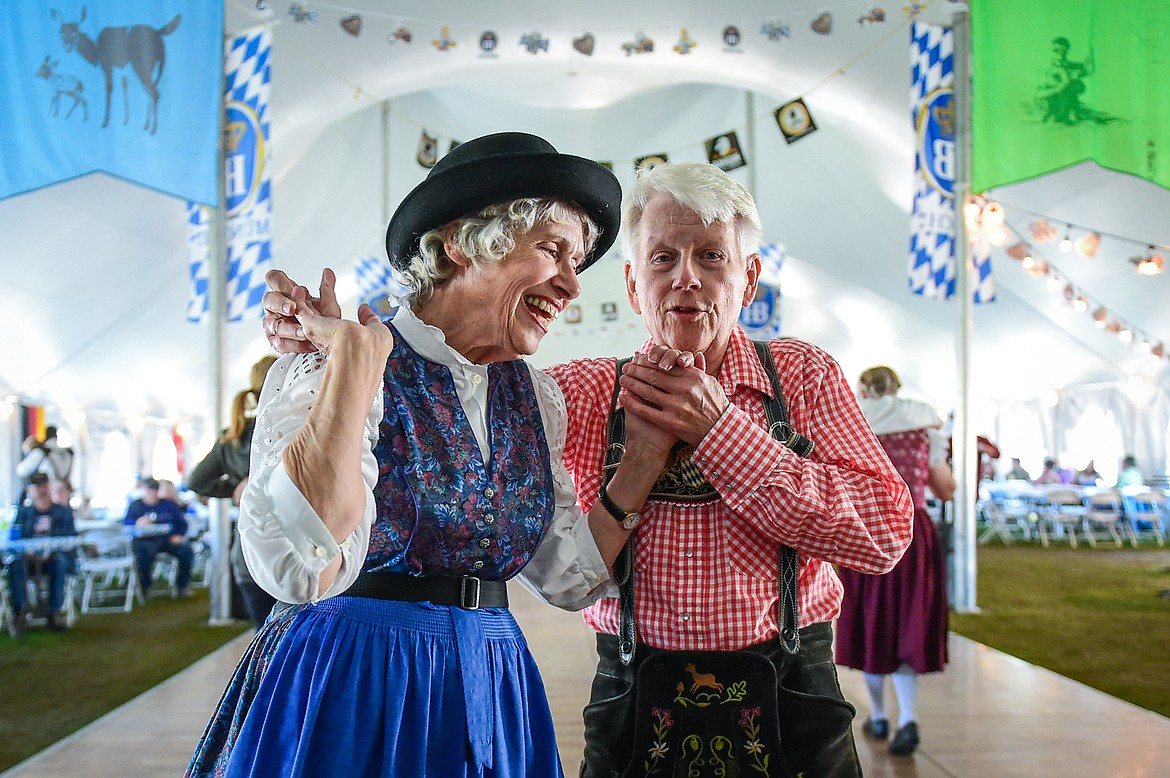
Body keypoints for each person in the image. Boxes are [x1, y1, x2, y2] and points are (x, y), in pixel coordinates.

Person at [261, 159, 913, 777]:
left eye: (712, 257)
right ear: (634, 285)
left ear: (750, 278)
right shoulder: (576, 393)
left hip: (790, 689)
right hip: (623, 692)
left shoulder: (801, 376)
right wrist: (333, 362)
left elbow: (885, 534)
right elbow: (453, 381)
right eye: (662, 258)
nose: (686, 277)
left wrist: (722, 434)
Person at [188, 132, 630, 777]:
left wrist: (641, 460)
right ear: (458, 243)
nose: (570, 283)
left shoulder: (535, 396)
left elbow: (568, 578)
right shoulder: (333, 362)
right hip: (356, 679)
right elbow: (294, 567)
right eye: (552, 250)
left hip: (493, 675)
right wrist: (350, 371)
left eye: (578, 261)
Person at [835, 366, 956, 757]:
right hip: (914, 531)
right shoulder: (924, 426)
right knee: (908, 619)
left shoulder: (854, 422)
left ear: (866, 390)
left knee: (874, 620)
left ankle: (880, 715)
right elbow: (947, 488)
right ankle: (908, 719)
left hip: (867, 528)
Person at [187, 354, 279, 629]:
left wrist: (239, 488)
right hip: (289, 552)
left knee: (264, 646)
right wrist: (244, 488)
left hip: (249, 554)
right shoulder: (288, 429)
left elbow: (197, 481)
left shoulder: (234, 436)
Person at [5, 472, 77, 633]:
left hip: (53, 559)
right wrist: (28, 552)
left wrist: (49, 552)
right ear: (30, 490)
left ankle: (53, 613)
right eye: (37, 487)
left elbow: (70, 540)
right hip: (28, 560)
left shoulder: (62, 512)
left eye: (43, 486)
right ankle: (20, 612)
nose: (41, 490)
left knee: (59, 562)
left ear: (48, 487)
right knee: (16, 564)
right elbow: (14, 539)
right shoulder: (23, 513)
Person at [123, 476, 194, 598]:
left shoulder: (168, 505)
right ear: (144, 490)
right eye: (149, 489)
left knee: (186, 551)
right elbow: (126, 524)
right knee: (144, 552)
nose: (152, 492)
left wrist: (179, 535)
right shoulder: (136, 506)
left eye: (155, 489)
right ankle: (145, 585)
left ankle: (182, 586)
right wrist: (137, 523)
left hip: (167, 540)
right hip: (145, 541)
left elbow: (182, 523)